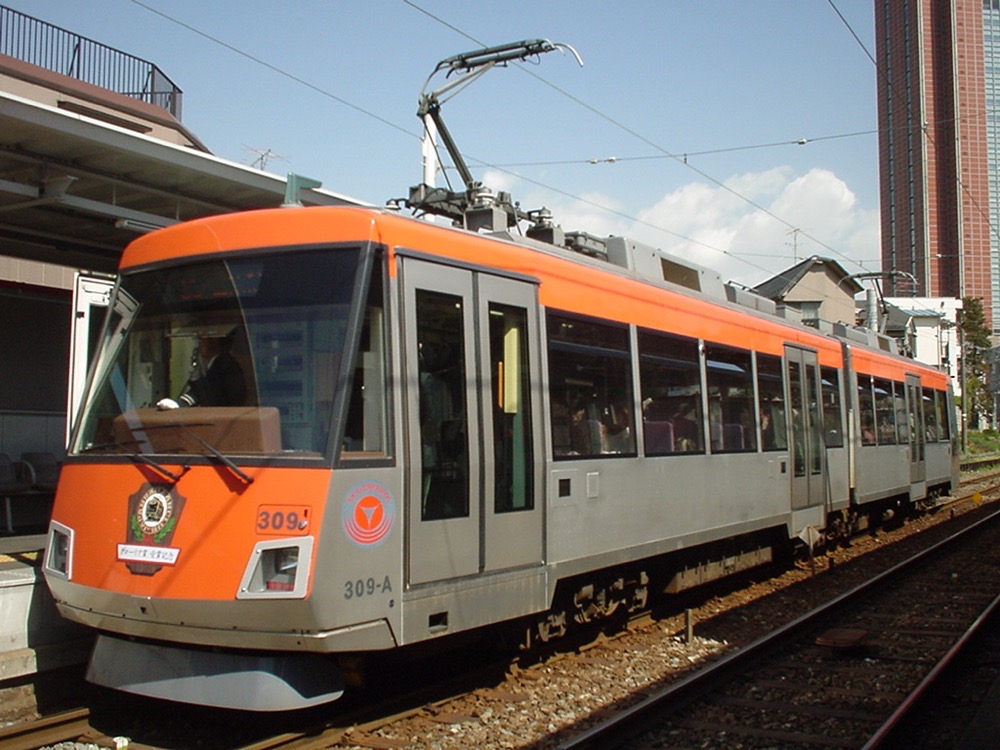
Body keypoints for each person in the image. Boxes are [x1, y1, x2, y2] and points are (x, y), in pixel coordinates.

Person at [158, 335, 246, 409]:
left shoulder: (223, 364)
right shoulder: (218, 363)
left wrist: (180, 403)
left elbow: (209, 394)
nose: (198, 345)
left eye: (201, 340)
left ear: (214, 341)